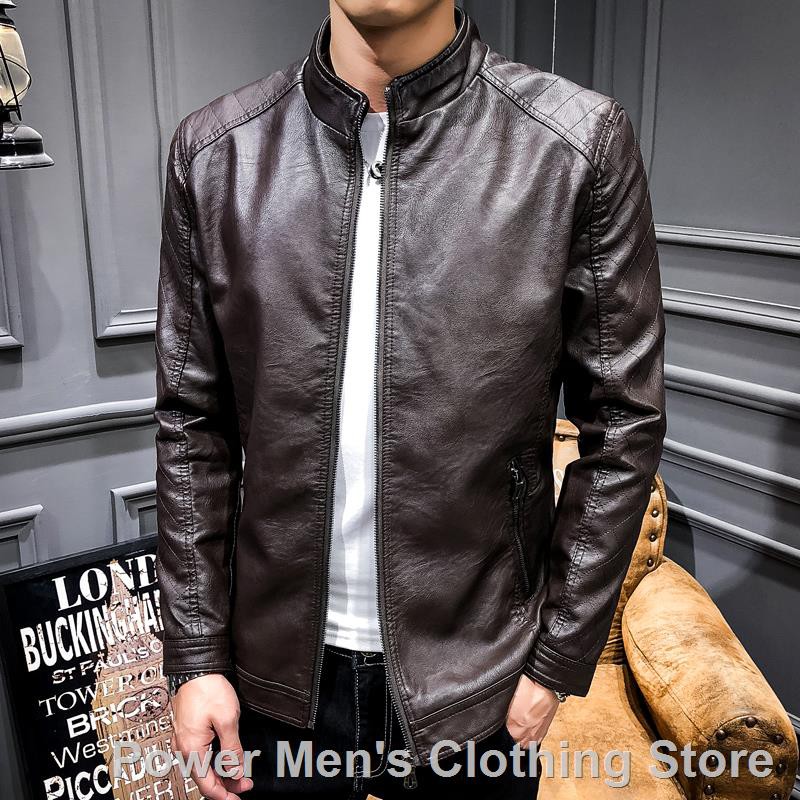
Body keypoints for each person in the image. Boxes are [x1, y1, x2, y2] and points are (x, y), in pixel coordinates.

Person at [154, 1, 667, 798]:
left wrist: (556, 658)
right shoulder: (218, 152)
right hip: (275, 685)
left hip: (479, 685)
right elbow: (192, 422)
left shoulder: (573, 145)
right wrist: (195, 656)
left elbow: (624, 420)